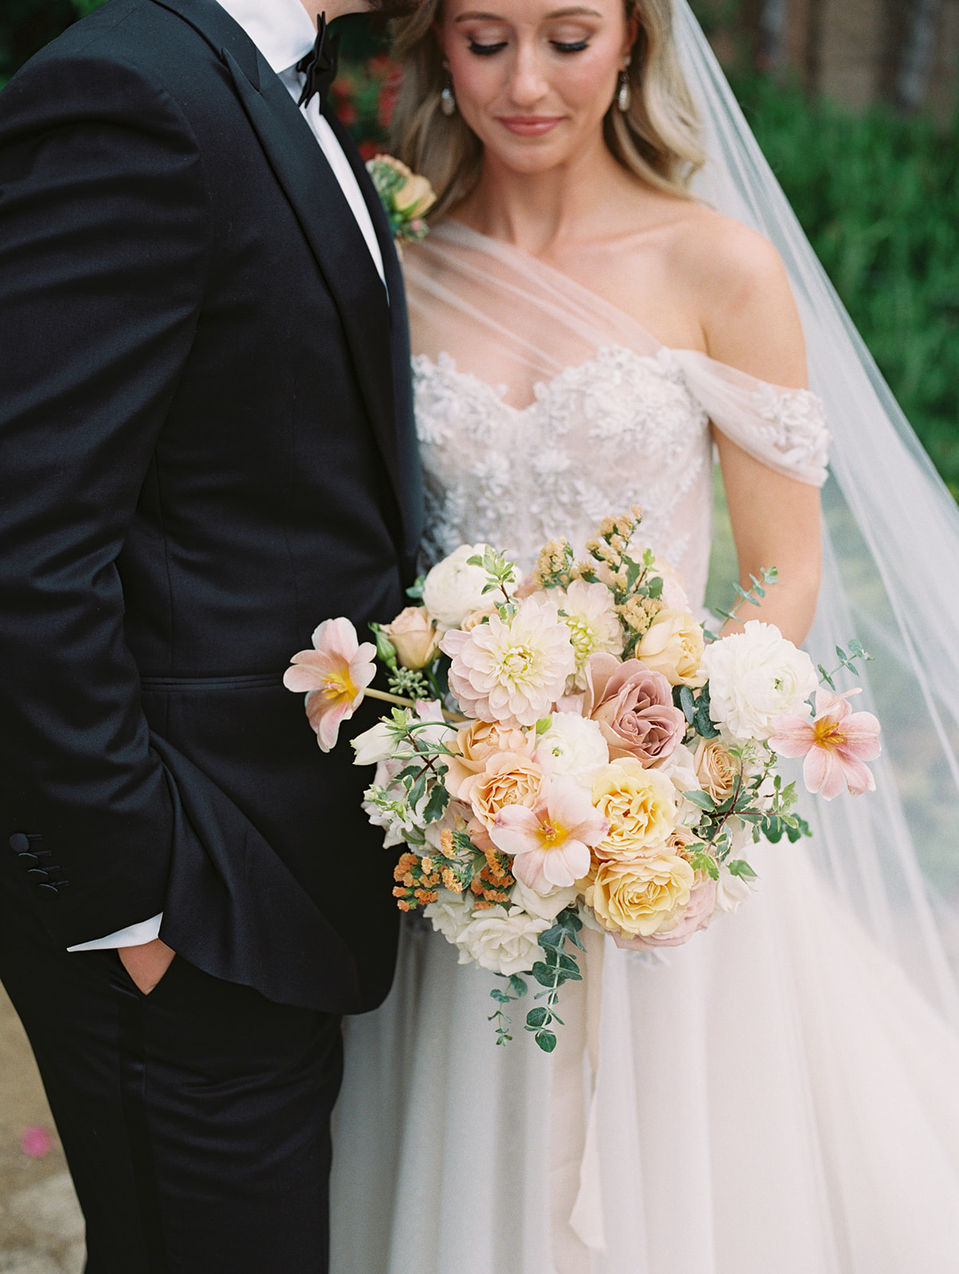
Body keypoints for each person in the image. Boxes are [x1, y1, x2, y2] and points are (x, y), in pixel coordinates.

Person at [329, 0, 959, 1270]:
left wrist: (668, 742)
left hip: (655, 810)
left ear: (631, 45)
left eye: (567, 38)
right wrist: (448, 745)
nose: (524, 83)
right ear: (438, 48)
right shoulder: (400, 261)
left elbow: (783, 565)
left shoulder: (713, 264)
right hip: (458, 823)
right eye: (484, 39)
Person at [0, 0, 423, 1266]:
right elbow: (25, 536)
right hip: (186, 885)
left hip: (282, 876)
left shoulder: (256, 84)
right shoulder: (128, 92)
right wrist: (137, 895)